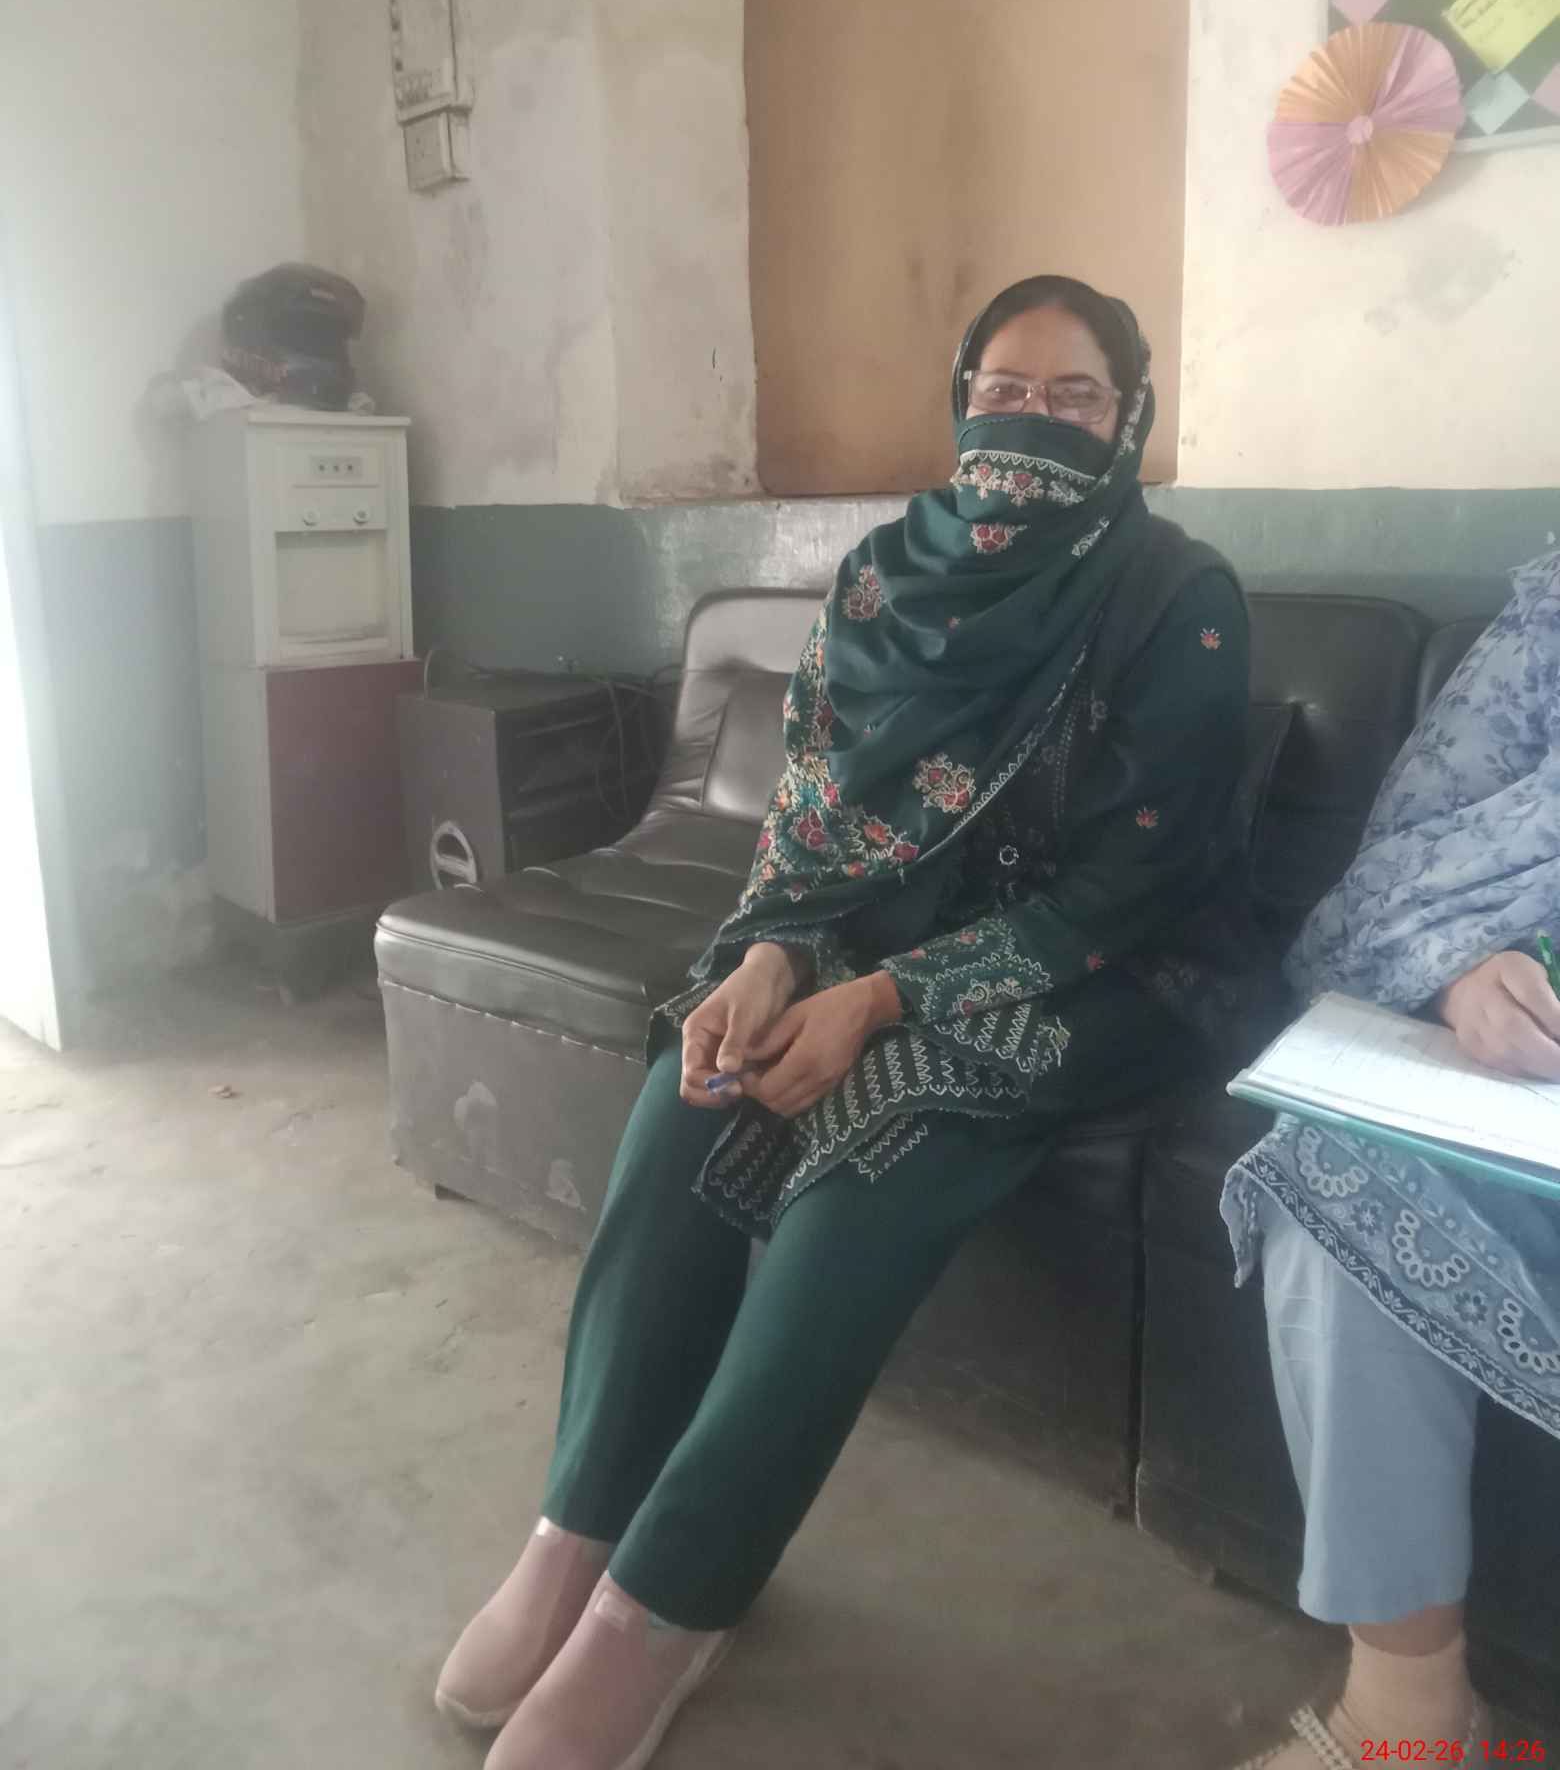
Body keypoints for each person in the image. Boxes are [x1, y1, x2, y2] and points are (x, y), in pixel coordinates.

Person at [436, 274, 1258, 1770]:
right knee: (698, 1084)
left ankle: (668, 1603)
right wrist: (771, 955)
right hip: (867, 938)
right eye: (1003, 392)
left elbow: (1134, 888)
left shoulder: (1173, 598)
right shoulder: (884, 578)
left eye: (1073, 397)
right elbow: (811, 820)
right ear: (960, 403)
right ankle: (579, 1527)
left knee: (876, 1145)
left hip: (1102, 977)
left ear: (1128, 418)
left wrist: (885, 999)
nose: (1032, 422)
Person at [1223, 552, 1560, 1770]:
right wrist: (1463, 968)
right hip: (1523, 1078)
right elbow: (1393, 866)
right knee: (1334, 1169)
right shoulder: (1551, 624)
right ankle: (1410, 1717)